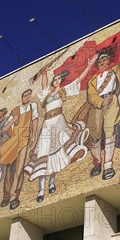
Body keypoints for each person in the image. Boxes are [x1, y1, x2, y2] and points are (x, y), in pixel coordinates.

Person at [25, 56, 95, 202]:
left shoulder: (63, 91)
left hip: (59, 122)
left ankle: (51, 182)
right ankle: (41, 189)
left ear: (61, 81)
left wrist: (89, 66)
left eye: (58, 79)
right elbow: (44, 85)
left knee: (59, 152)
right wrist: (44, 72)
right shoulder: (46, 94)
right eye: (55, 79)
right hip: (47, 125)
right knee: (44, 153)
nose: (56, 81)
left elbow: (78, 80)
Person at [86, 44, 120, 180]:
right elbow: (91, 96)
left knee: (109, 131)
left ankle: (108, 166)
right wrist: (101, 102)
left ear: (108, 60)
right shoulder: (92, 80)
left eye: (104, 60)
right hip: (98, 106)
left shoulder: (114, 69)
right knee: (94, 135)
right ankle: (97, 163)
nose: (101, 63)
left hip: (112, 101)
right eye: (99, 61)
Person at [0, 89, 39, 210]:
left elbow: (34, 122)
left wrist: (33, 136)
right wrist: (13, 119)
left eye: (28, 95)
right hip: (14, 140)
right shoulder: (16, 110)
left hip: (25, 139)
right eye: (24, 96)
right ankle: (6, 195)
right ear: (21, 98)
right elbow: (4, 129)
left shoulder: (33, 107)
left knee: (20, 168)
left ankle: (15, 196)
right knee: (9, 168)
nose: (26, 97)